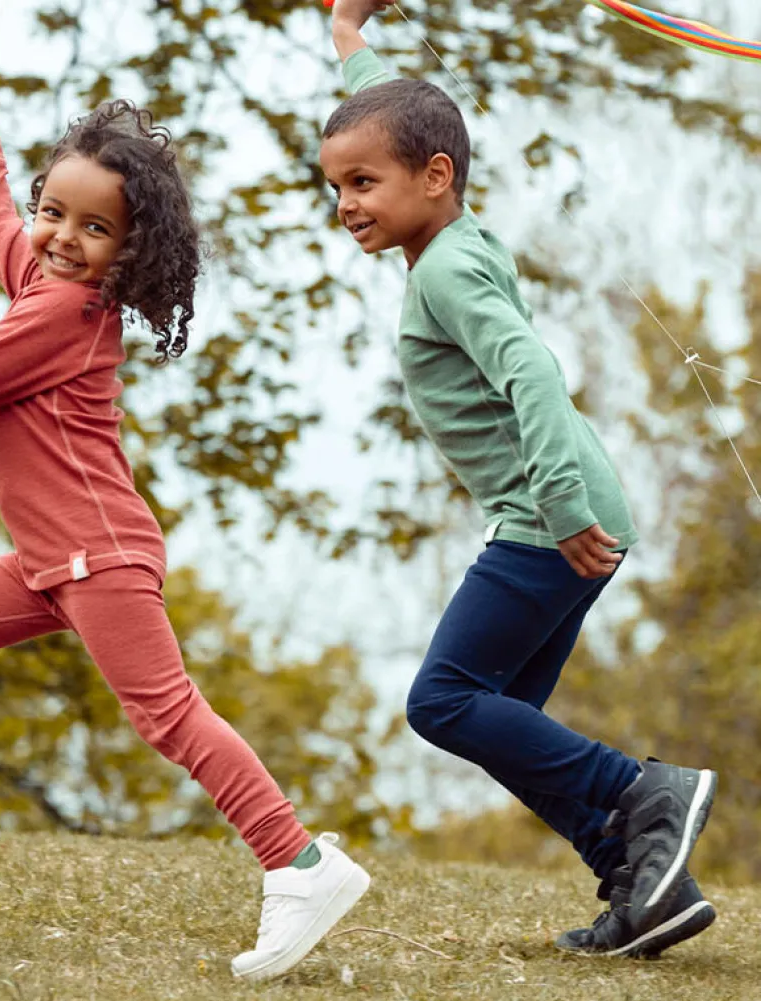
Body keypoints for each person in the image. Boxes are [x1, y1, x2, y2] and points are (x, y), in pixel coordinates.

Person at [0, 66, 369, 982]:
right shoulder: (43, 278)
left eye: (95, 228)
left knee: (168, 714)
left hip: (96, 557)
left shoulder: (68, 310)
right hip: (46, 561)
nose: (64, 238)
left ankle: (300, 862)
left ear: (128, 252)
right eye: (54, 212)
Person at [319, 0, 717, 958]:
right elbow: (386, 111)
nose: (346, 204)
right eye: (335, 186)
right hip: (569, 510)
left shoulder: (446, 274)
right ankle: (640, 882)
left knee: (444, 700)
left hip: (551, 518)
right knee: (505, 718)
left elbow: (532, 372)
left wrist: (565, 510)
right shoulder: (450, 233)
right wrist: (347, 33)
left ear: (435, 177)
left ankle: (643, 792)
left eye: (364, 183)